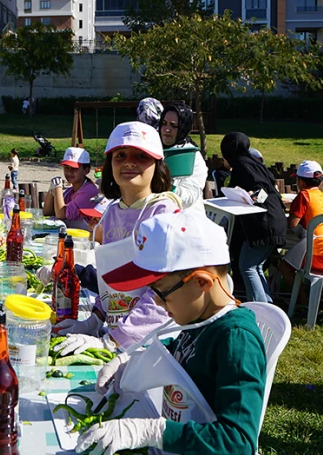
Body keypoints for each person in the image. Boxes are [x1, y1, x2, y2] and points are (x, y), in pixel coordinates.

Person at [78, 211, 266, 455]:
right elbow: (181, 352)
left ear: (202, 283)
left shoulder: (237, 340)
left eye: (162, 293)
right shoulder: (198, 319)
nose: (157, 303)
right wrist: (131, 361)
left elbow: (237, 442)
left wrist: (152, 433)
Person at [53, 122, 177, 355]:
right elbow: (110, 281)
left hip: (154, 342)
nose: (129, 162)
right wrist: (95, 319)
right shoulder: (111, 213)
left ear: (157, 164)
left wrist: (114, 341)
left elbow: (163, 293)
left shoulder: (163, 213)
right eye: (120, 155)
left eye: (141, 156)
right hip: (116, 332)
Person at [220, 132, 288, 304]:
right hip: (275, 220)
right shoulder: (252, 163)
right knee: (255, 267)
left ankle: (259, 310)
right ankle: (267, 307)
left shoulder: (242, 165)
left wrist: (254, 196)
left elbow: (262, 189)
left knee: (247, 266)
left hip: (266, 222)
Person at [281, 161, 323, 319]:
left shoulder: (304, 195)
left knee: (284, 267)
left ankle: (303, 303)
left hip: (316, 248)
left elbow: (293, 223)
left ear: (300, 181)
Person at [158, 101, 208, 216]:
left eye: (174, 126)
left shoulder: (192, 156)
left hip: (186, 221)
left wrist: (167, 187)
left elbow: (190, 197)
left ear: (183, 127)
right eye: (164, 123)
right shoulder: (153, 148)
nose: (166, 129)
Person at [43, 147, 101, 231]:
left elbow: (61, 214)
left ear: (86, 170)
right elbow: (47, 212)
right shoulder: (71, 190)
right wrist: (51, 189)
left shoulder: (89, 191)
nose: (69, 172)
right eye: (66, 168)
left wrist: (57, 188)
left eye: (74, 169)